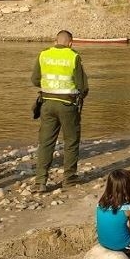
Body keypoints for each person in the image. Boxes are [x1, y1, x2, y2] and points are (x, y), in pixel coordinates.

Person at [31, 30, 89, 193]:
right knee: (71, 141)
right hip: (67, 104)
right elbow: (82, 85)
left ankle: (40, 181)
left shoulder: (43, 55)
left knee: (46, 142)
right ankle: (69, 178)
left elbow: (35, 80)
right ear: (70, 43)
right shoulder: (73, 56)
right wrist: (81, 96)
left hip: (47, 103)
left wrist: (49, 86)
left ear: (55, 41)